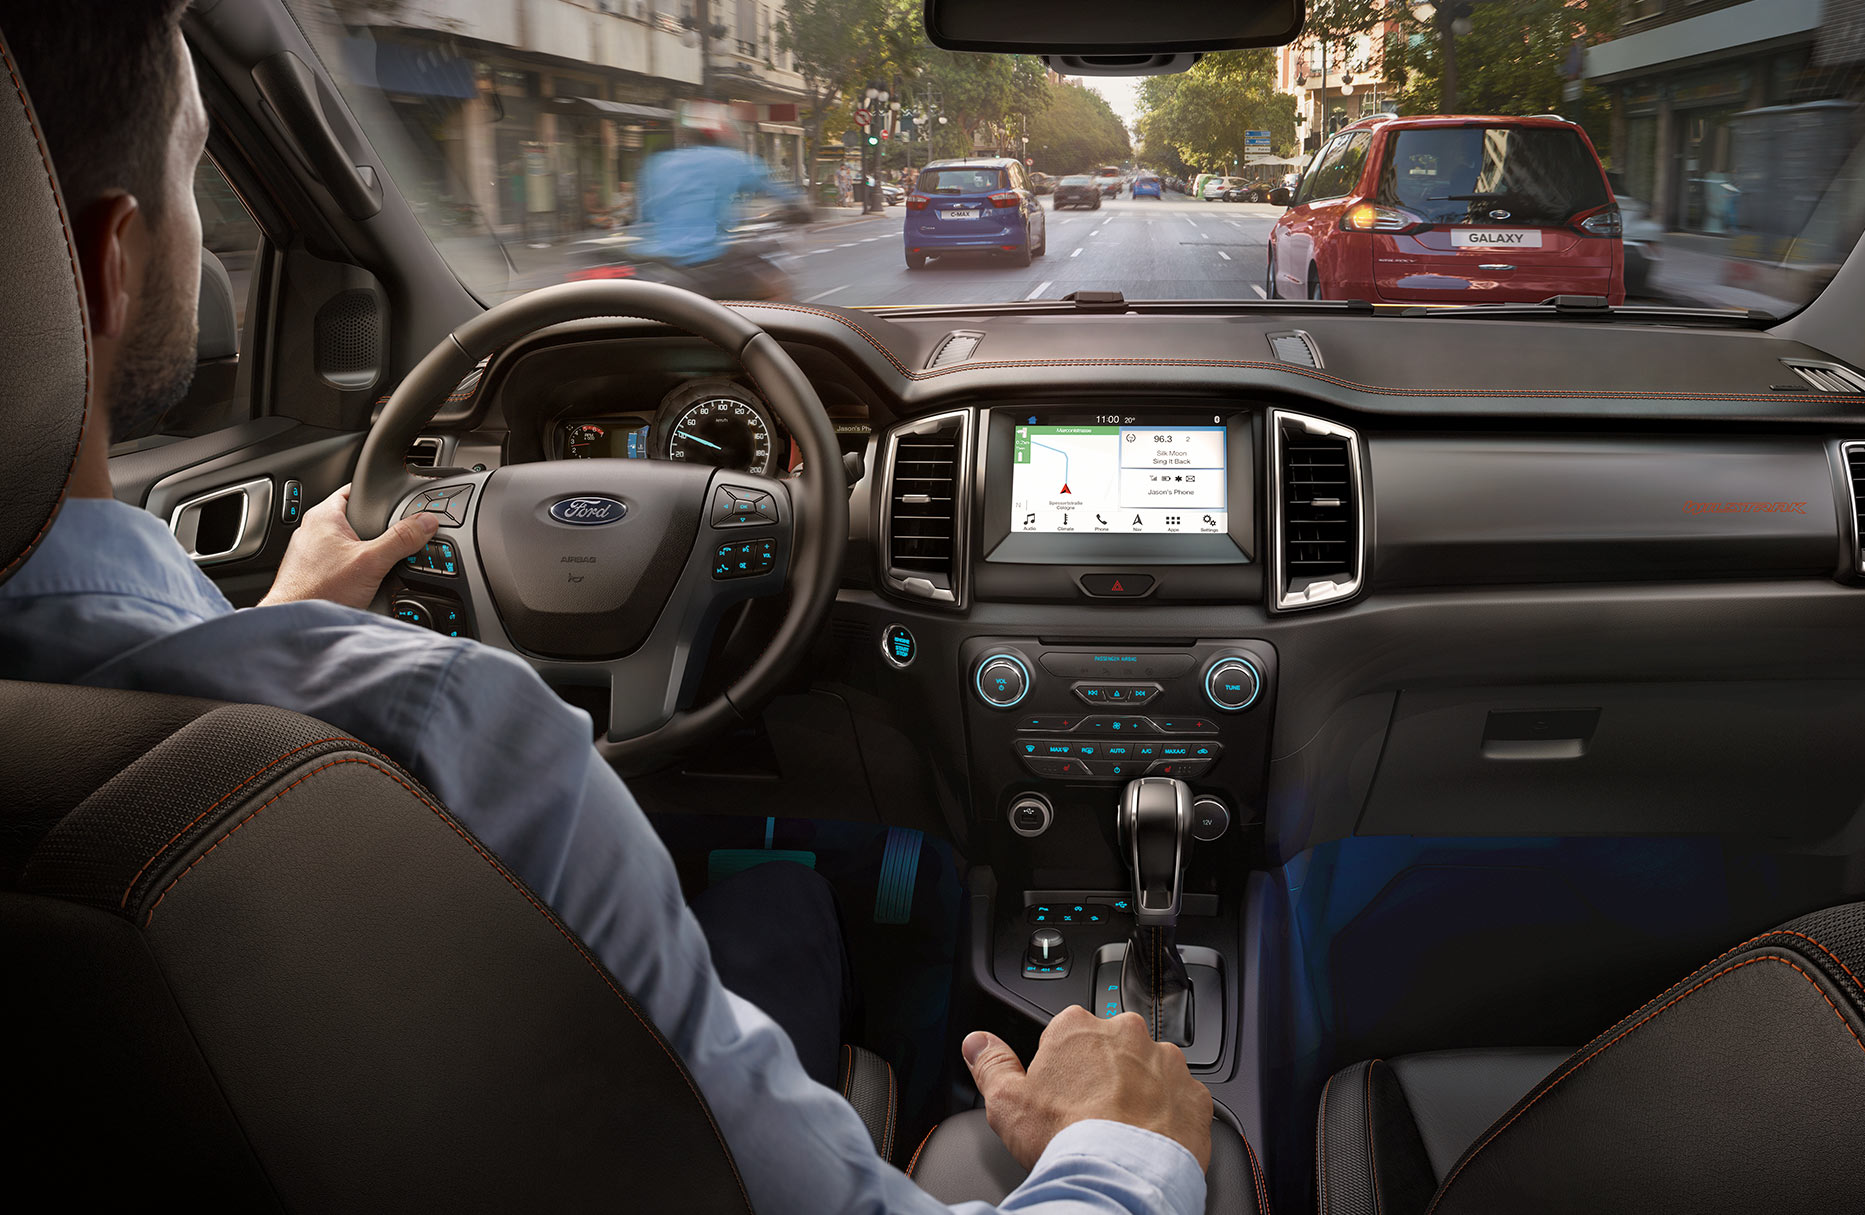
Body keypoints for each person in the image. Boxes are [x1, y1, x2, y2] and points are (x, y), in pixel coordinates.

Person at [0, 8, 1214, 1215]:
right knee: (790, 897)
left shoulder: (209, 715)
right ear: (100, 265)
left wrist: (276, 627)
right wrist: (1125, 1150)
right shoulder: (454, 726)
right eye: (189, 174)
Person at [629, 117, 793, 267]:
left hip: (652, 254)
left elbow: (642, 212)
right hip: (701, 254)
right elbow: (770, 186)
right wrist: (798, 205)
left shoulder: (659, 162)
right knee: (771, 280)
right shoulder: (730, 159)